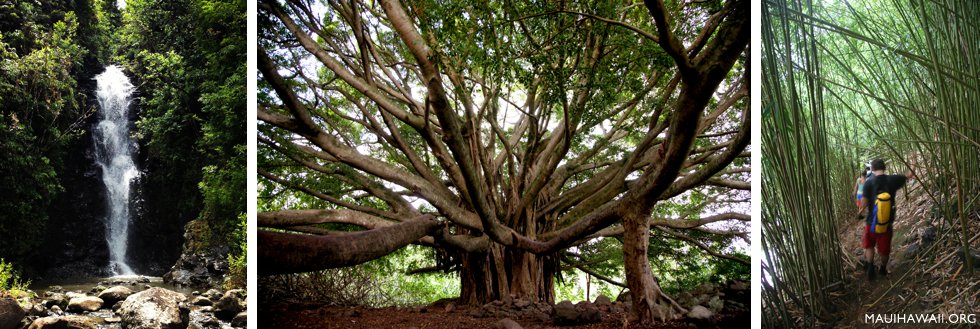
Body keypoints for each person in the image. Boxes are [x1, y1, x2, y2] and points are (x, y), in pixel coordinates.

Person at [858, 159, 914, 281]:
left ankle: (870, 267)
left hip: (871, 222)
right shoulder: (893, 180)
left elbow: (863, 203)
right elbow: (910, 174)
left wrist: (861, 210)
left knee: (869, 245)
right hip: (886, 224)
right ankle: (883, 268)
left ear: (872, 169)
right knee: (884, 250)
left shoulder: (868, 183)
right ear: (885, 167)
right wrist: (914, 162)